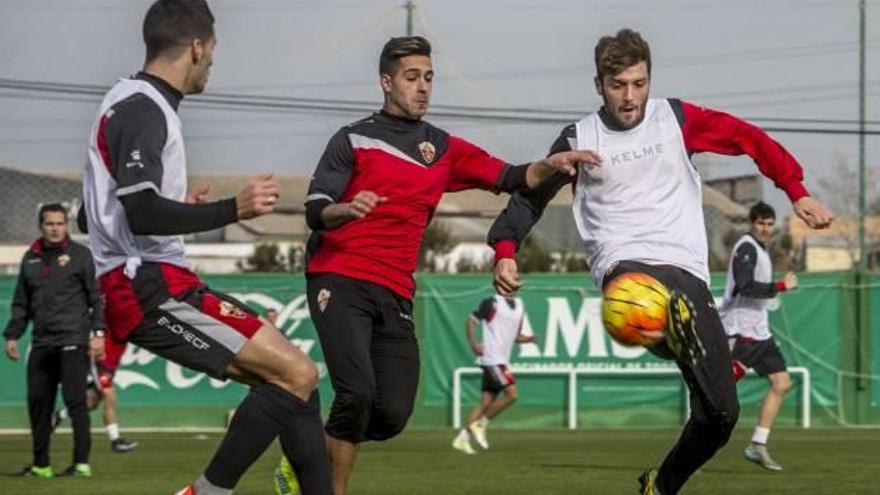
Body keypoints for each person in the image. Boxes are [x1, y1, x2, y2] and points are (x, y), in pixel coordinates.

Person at [487, 28, 833, 495]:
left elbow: (746, 137)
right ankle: (660, 331)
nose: (629, 97)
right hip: (623, 267)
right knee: (642, 298)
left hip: (685, 272)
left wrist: (796, 190)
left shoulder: (676, 119)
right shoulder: (578, 137)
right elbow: (529, 198)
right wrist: (505, 251)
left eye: (639, 83)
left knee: (721, 416)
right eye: (618, 85)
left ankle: (660, 485)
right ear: (598, 85)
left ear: (649, 79)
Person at [275, 35, 598, 495]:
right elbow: (316, 207)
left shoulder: (441, 148)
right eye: (411, 77)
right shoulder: (352, 138)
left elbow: (509, 177)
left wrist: (550, 163)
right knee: (357, 393)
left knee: (390, 415)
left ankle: (304, 455)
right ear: (386, 82)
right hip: (339, 274)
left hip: (395, 290)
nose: (423, 87)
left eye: (428, 77)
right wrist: (342, 211)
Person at [80, 1, 332, 493]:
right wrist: (228, 210)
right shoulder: (143, 108)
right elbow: (141, 212)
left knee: (300, 383)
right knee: (295, 373)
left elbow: (95, 214)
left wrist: (178, 207)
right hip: (145, 285)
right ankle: (208, 490)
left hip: (157, 279)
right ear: (197, 47)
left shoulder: (126, 101)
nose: (213, 61)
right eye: (213, 50)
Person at [4, 203, 105, 478]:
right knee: (38, 404)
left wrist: (98, 334)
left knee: (75, 403)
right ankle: (41, 465)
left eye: (60, 223)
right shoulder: (30, 258)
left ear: (66, 225)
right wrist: (13, 334)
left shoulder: (81, 256)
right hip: (41, 344)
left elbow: (96, 298)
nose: (55, 228)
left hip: (73, 340)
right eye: (50, 224)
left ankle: (81, 464)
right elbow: (21, 303)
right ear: (41, 226)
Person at [719, 201, 797, 471]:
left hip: (759, 332)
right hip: (740, 331)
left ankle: (757, 445)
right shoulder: (747, 247)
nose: (765, 228)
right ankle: (693, 451)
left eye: (769, 223)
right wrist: (781, 286)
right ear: (752, 223)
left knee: (782, 383)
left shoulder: (762, 250)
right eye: (760, 223)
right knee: (718, 396)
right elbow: (745, 286)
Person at [451, 295, 537, 455]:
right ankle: (480, 424)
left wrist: (528, 339)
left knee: (485, 402)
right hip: (492, 359)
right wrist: (474, 344)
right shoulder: (492, 303)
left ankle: (462, 439)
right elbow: (470, 321)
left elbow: (515, 336)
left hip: (499, 359)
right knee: (512, 395)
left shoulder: (519, 305)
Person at [51, 336, 138, 453]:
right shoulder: (105, 322)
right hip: (100, 362)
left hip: (110, 366)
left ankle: (58, 416)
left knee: (92, 403)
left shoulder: (129, 325)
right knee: (109, 395)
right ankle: (115, 441)